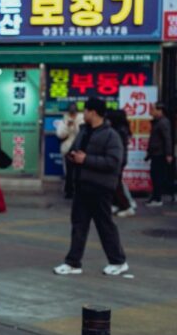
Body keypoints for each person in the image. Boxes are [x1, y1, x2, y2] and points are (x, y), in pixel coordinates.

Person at [54, 97, 128, 276]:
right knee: (78, 226)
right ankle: (73, 263)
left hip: (100, 188)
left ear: (93, 112)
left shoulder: (111, 135)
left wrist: (86, 159)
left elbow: (113, 162)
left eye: (85, 111)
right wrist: (73, 156)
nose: (83, 114)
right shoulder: (84, 131)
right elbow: (75, 150)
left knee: (105, 226)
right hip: (82, 186)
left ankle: (118, 262)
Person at [107, 109, 136, 218]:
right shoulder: (122, 129)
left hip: (118, 160)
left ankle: (126, 206)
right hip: (120, 159)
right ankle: (117, 204)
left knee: (116, 184)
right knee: (115, 183)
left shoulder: (119, 130)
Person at [146, 102, 173, 207]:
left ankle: (157, 198)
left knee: (157, 176)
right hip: (156, 153)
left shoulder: (163, 122)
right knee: (155, 175)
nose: (151, 111)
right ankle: (155, 197)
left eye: (153, 109)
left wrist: (168, 154)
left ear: (160, 111)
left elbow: (167, 138)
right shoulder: (157, 122)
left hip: (160, 154)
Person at [56, 103, 85, 198]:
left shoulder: (82, 119)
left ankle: (78, 191)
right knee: (69, 172)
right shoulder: (64, 120)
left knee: (80, 172)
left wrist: (76, 125)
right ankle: (69, 191)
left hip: (80, 149)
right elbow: (60, 135)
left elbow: (82, 134)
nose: (72, 113)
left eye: (74, 111)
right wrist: (67, 127)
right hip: (67, 149)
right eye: (70, 111)